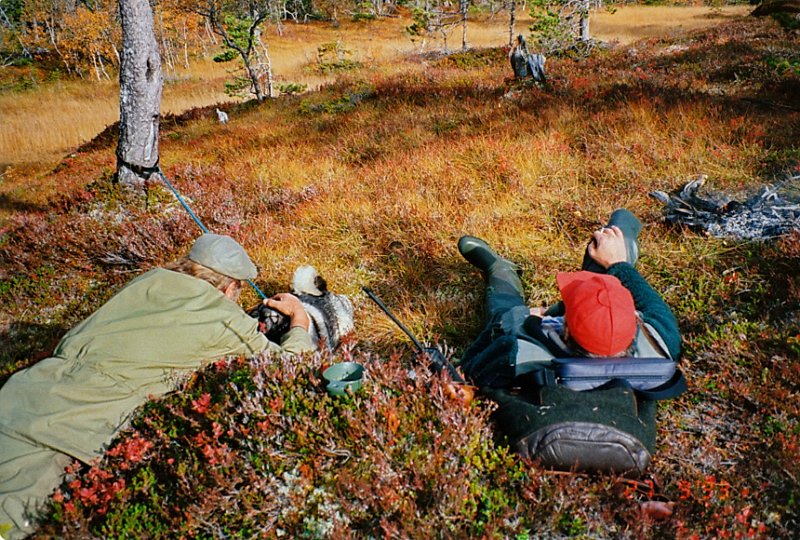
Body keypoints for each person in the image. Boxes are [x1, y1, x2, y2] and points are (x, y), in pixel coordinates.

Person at [0, 234, 316, 539]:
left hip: (22, 395)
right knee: (12, 523)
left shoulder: (148, 280)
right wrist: (299, 319)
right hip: (73, 427)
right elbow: (289, 366)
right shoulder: (222, 319)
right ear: (230, 287)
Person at [458, 209, 681, 388]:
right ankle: (618, 240)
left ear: (564, 329)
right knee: (600, 276)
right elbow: (651, 302)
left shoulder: (517, 355)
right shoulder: (660, 343)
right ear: (634, 319)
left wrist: (526, 317)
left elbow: (466, 370)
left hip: (531, 338)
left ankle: (500, 269)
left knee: (504, 313)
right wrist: (618, 263)